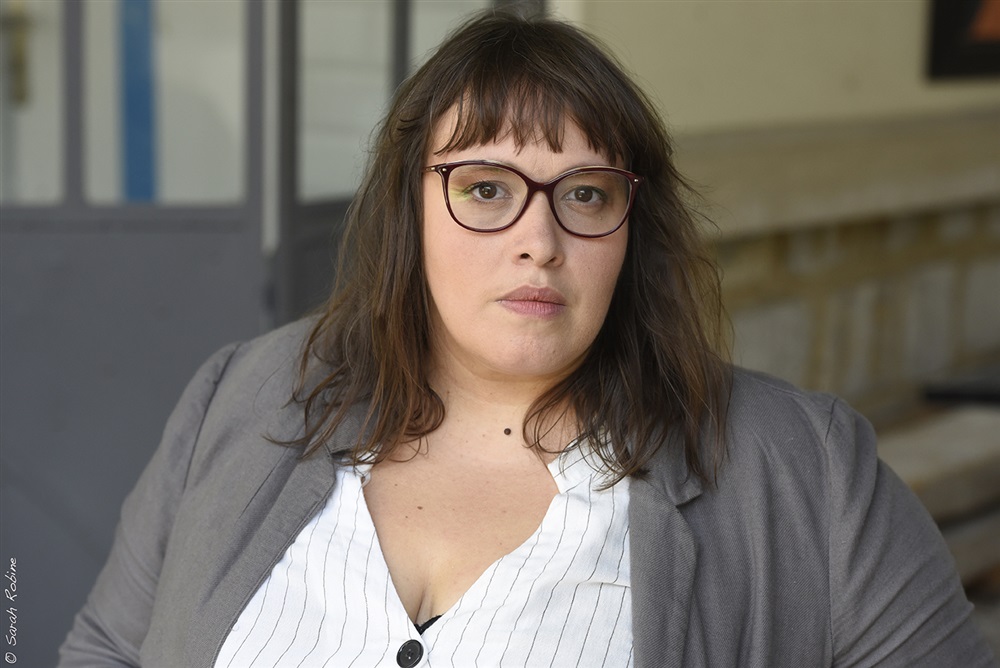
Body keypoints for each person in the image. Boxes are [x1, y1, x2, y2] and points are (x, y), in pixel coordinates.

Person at [60, 11, 995, 668]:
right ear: (409, 209)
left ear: (631, 228)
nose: (538, 241)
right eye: (486, 189)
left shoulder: (802, 472)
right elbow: (107, 649)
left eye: (585, 193)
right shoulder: (244, 396)